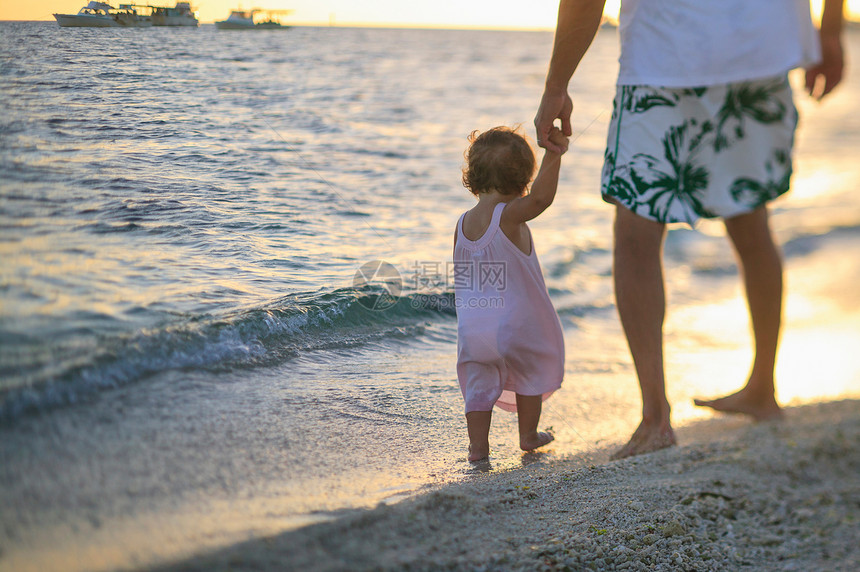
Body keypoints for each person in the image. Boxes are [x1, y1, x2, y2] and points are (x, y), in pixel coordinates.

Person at [535, 0, 845, 459]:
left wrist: (557, 83)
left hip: (667, 52)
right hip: (761, 47)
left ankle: (656, 417)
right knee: (750, 214)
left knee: (636, 230)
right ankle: (762, 389)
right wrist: (830, 30)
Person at [454, 126, 569, 462]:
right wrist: (554, 154)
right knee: (530, 370)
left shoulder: (463, 223)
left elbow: (466, 276)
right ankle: (528, 434)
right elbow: (542, 200)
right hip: (516, 324)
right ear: (522, 180)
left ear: (473, 176)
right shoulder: (509, 217)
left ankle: (478, 448)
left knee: (478, 384)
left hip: (474, 328)